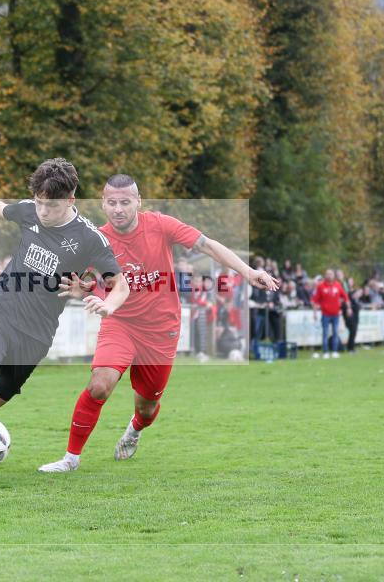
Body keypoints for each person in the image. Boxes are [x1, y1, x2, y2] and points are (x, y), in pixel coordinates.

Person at [34, 174, 278, 473]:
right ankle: (70, 458)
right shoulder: (97, 238)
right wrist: (80, 290)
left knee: (147, 408)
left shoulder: (161, 225)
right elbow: (84, 282)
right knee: (100, 385)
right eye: (112, 203)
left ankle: (135, 429)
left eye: (125, 202)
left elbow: (208, 246)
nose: (119, 209)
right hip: (120, 322)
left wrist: (247, 271)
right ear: (103, 204)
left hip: (161, 330)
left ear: (138, 202)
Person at [0, 157, 130, 480]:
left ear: (71, 199)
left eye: (51, 206)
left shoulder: (89, 239)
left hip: (35, 337)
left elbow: (120, 285)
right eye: (40, 203)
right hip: (1, 312)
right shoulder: (30, 211)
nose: (43, 212)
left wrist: (107, 304)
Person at [311, 269, 351, 359]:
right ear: (325, 275)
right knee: (325, 333)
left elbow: (345, 297)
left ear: (333, 275)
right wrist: (314, 313)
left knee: (335, 333)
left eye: (331, 274)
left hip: (336, 314)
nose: (329, 276)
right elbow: (315, 300)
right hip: (325, 314)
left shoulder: (338, 285)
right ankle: (325, 352)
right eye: (327, 274)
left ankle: (335, 351)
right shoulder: (320, 286)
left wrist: (348, 308)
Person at [345, 286, 362, 353]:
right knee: (352, 333)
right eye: (356, 293)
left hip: (355, 319)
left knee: (353, 334)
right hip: (351, 320)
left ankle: (351, 347)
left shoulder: (356, 301)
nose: (358, 295)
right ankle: (350, 348)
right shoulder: (350, 301)